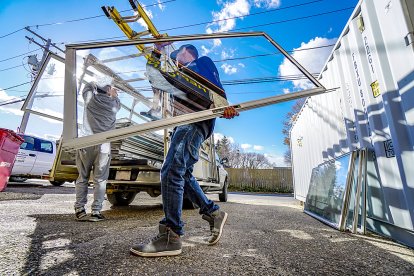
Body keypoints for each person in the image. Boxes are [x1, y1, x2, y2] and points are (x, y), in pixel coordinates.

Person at [130, 44, 239, 257]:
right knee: (183, 174)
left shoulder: (200, 63)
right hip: (184, 124)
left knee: (171, 170)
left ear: (186, 52)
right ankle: (212, 212)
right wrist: (156, 53)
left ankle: (171, 235)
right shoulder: (177, 77)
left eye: (177, 55)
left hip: (195, 121)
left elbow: (215, 84)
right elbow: (154, 76)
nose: (176, 60)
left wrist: (224, 105)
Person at [74, 81, 121, 222]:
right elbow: (116, 99)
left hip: (86, 142)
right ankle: (96, 212)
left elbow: (87, 86)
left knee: (82, 177)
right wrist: (113, 93)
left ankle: (79, 210)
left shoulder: (90, 99)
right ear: (108, 91)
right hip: (103, 145)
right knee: (100, 180)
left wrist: (95, 83)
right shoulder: (114, 104)